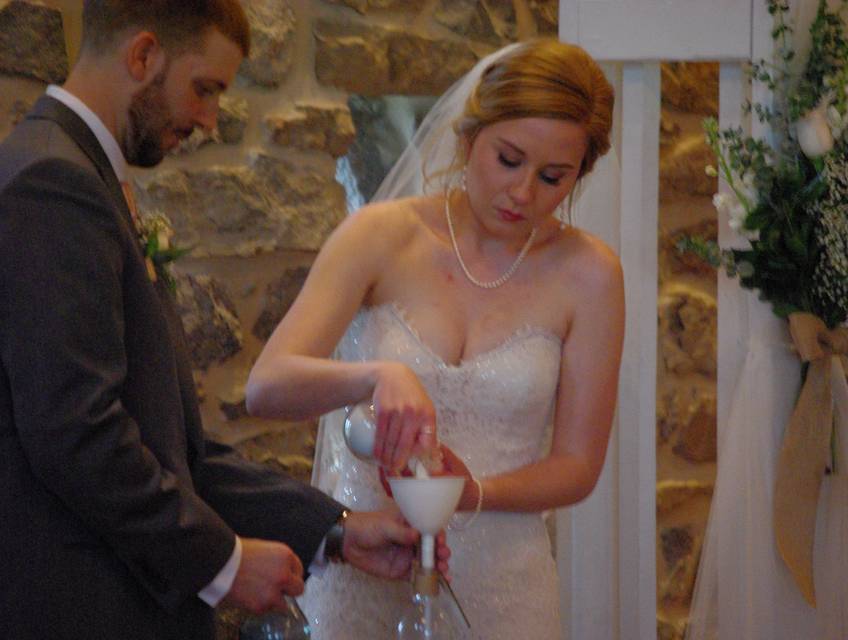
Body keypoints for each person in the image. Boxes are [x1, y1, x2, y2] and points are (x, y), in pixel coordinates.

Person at [0, 2, 446, 639]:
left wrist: (336, 530)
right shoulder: (52, 182)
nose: (208, 120)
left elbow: (174, 449)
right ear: (143, 55)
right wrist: (223, 561)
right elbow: (76, 433)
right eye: (204, 88)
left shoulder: (78, 171)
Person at [246, 39, 624, 638]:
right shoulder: (380, 235)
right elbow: (266, 387)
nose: (524, 192)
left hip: (504, 582)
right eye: (508, 159)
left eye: (553, 177)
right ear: (470, 136)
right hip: (365, 565)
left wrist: (473, 491)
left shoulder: (590, 275)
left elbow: (577, 465)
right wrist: (376, 375)